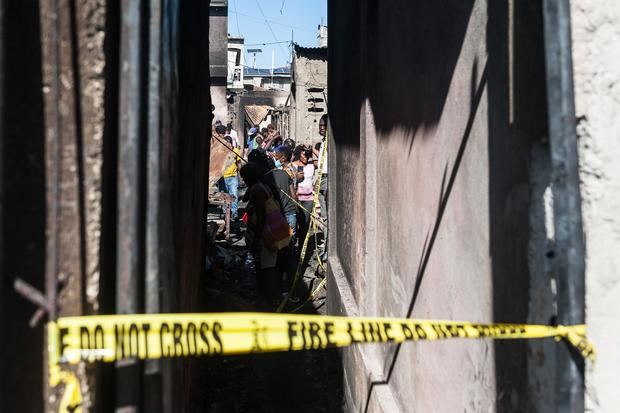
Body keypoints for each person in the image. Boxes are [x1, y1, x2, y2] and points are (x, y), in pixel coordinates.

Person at [239, 162, 281, 308]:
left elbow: (261, 216)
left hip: (265, 234)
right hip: (270, 231)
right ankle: (268, 297)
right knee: (268, 267)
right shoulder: (263, 186)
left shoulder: (257, 190)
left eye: (244, 178)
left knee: (265, 268)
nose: (243, 181)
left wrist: (257, 237)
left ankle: (266, 299)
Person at [292, 145, 315, 251]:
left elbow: (322, 162)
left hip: (308, 199)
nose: (306, 156)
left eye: (307, 154)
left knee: (304, 224)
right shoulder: (293, 166)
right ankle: (292, 246)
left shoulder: (312, 166)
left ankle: (301, 248)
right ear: (298, 154)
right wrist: (295, 178)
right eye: (303, 154)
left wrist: (312, 149)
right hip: (296, 199)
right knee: (294, 223)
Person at [221, 135, 242, 220]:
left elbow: (239, 163)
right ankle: (225, 213)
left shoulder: (236, 151)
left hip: (233, 176)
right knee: (224, 196)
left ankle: (234, 213)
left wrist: (241, 173)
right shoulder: (221, 151)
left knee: (234, 195)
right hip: (223, 177)